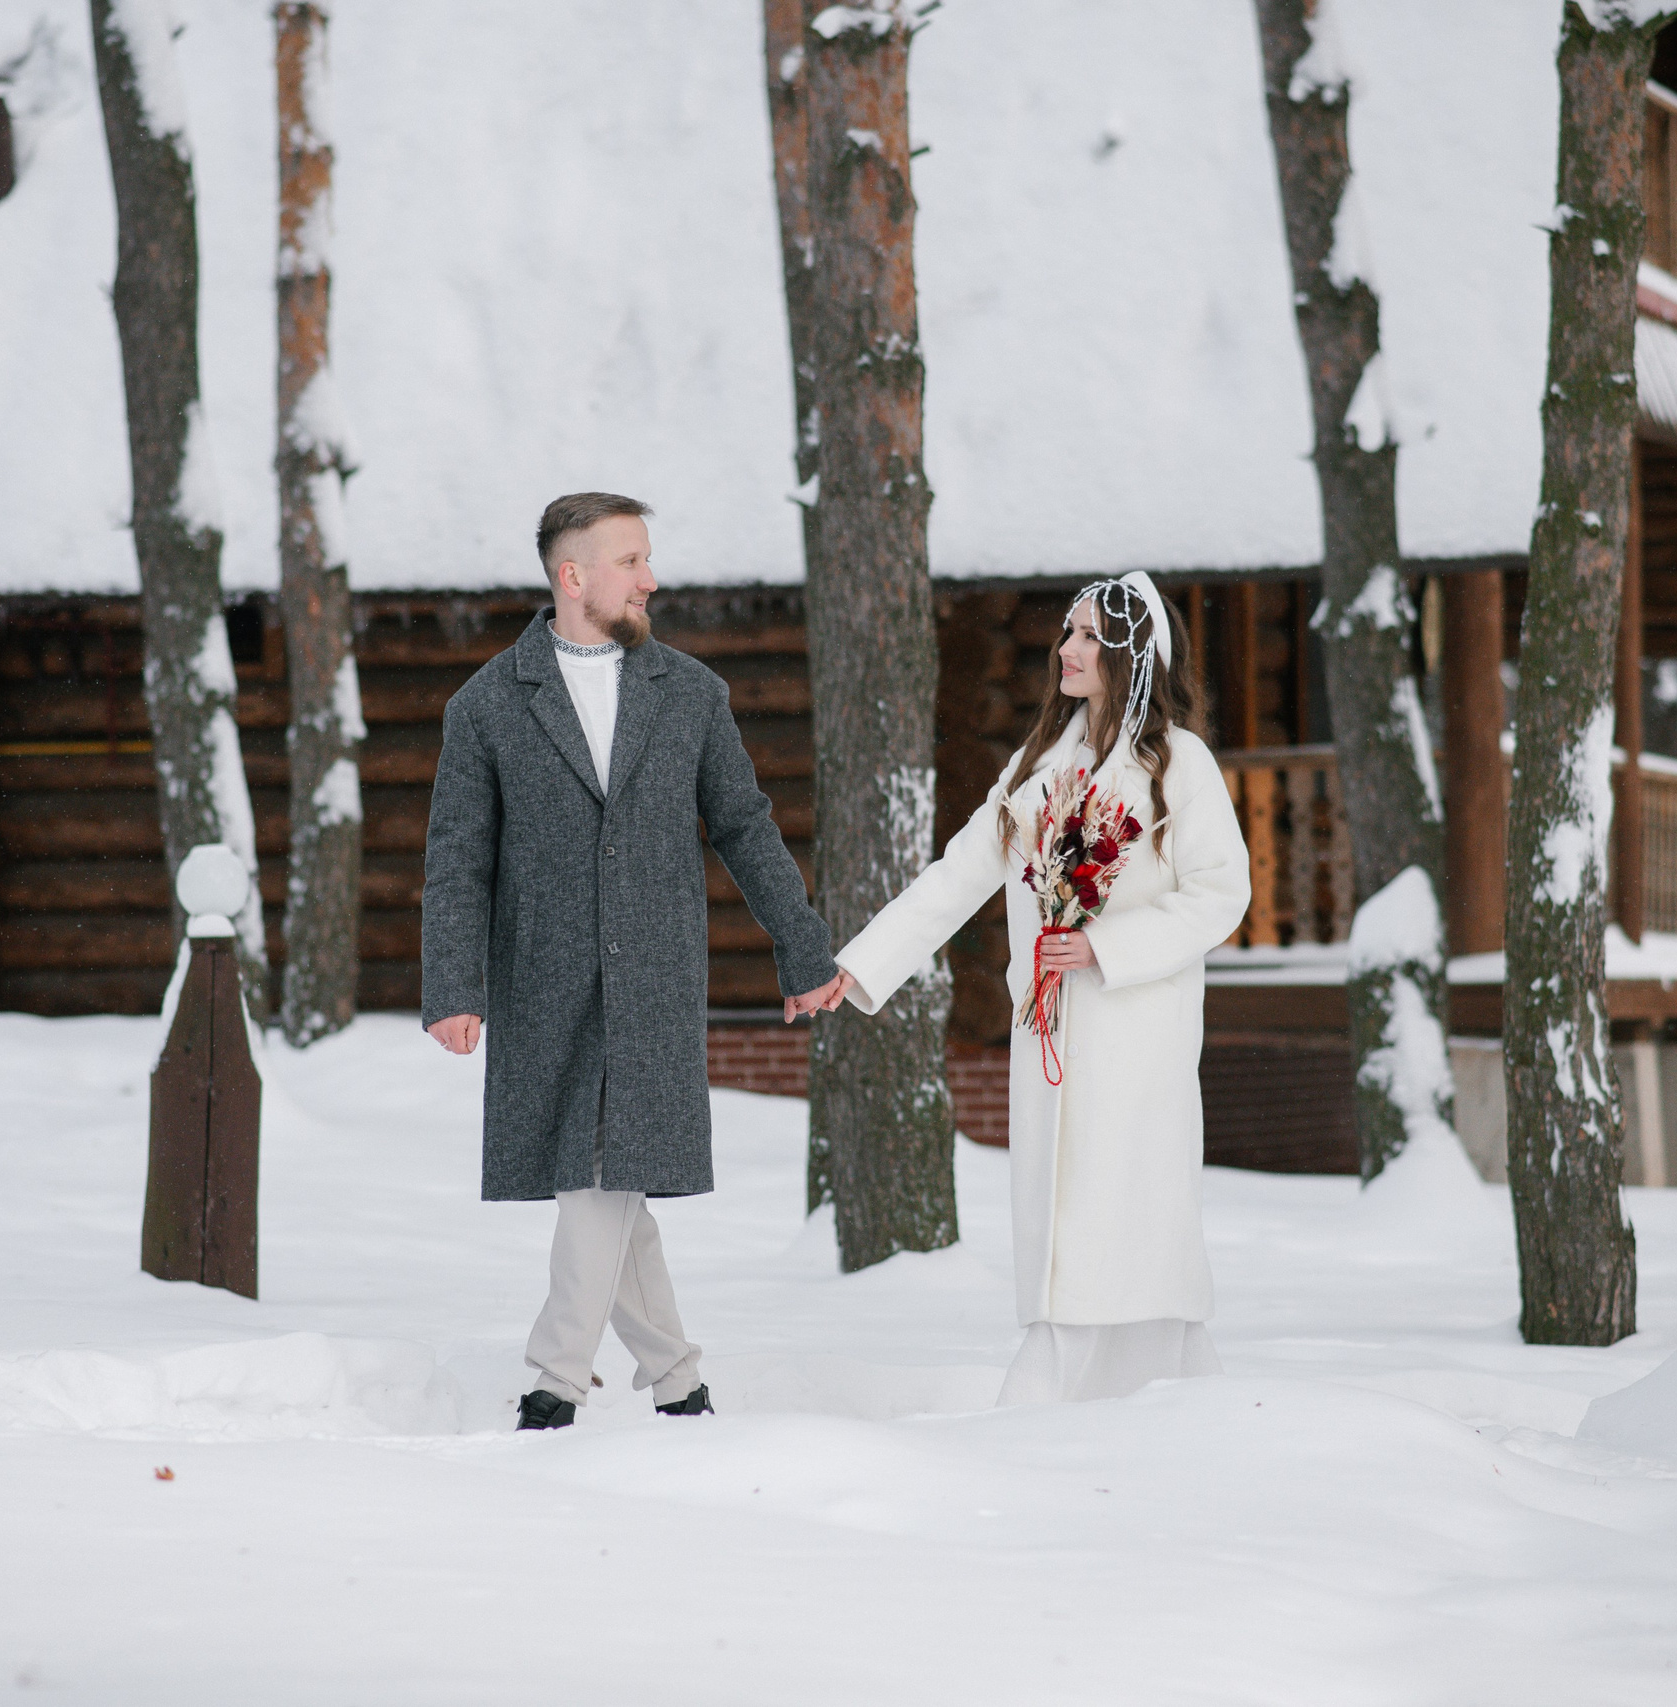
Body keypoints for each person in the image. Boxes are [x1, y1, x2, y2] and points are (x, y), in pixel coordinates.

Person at [421, 491, 850, 1431]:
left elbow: (743, 825)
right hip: (543, 984)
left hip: (654, 983)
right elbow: (457, 858)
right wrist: (453, 985)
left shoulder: (690, 693)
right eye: (630, 561)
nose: (650, 578)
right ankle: (677, 1381)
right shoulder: (487, 705)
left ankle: (554, 1380)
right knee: (605, 1182)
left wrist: (803, 947)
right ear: (573, 576)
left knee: (602, 1179)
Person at [832, 574, 1251, 1404]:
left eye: (1091, 637)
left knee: (1125, 1211)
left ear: (1134, 654)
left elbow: (1221, 892)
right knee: (1061, 1209)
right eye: (1069, 632)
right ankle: (1076, 1382)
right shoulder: (1041, 766)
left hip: (1136, 1036)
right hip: (1052, 1038)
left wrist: (1102, 947)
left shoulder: (1180, 767)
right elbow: (961, 872)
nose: (1068, 650)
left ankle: (1110, 1388)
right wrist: (861, 963)